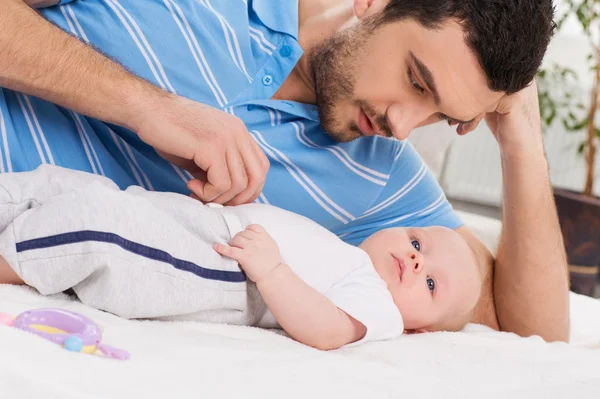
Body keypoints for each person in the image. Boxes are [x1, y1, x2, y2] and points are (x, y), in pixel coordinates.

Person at [0, 0, 568, 342]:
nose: (403, 125)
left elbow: (531, 331)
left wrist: (520, 138)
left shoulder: (384, 174)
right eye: (417, 80)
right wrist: (143, 106)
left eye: (441, 115)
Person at [0, 165, 481, 350]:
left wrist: (271, 270)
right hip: (200, 225)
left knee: (100, 227)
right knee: (66, 186)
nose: (416, 262)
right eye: (418, 244)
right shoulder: (346, 254)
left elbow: (328, 330)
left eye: (431, 284)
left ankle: (9, 260)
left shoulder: (379, 307)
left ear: (422, 329)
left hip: (223, 273)